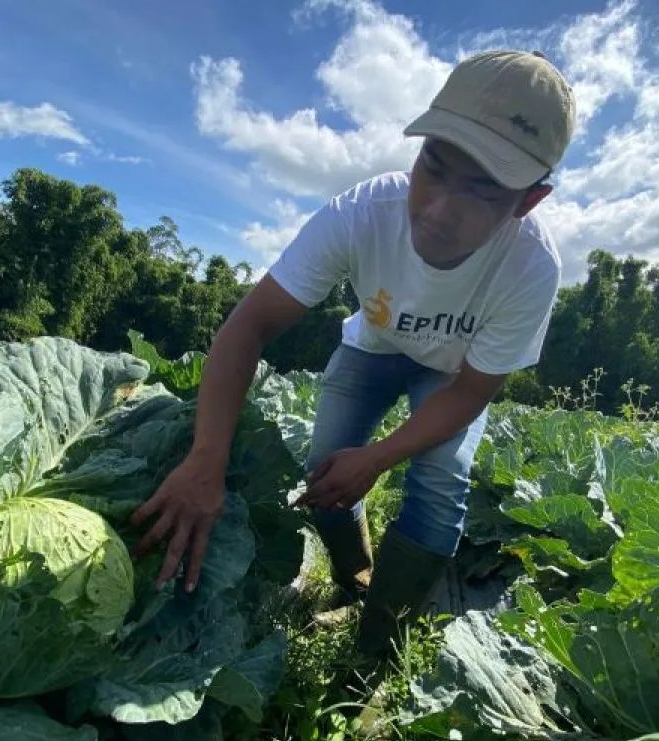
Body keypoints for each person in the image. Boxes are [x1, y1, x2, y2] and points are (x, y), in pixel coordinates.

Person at [129, 49, 577, 662]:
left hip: (451, 375)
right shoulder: (363, 212)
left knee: (442, 483)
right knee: (326, 466)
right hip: (372, 347)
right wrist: (206, 460)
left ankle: (374, 650)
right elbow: (248, 325)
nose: (439, 210)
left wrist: (380, 458)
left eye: (483, 192)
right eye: (434, 167)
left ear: (528, 201)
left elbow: (471, 394)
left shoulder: (531, 266)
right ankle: (354, 577)